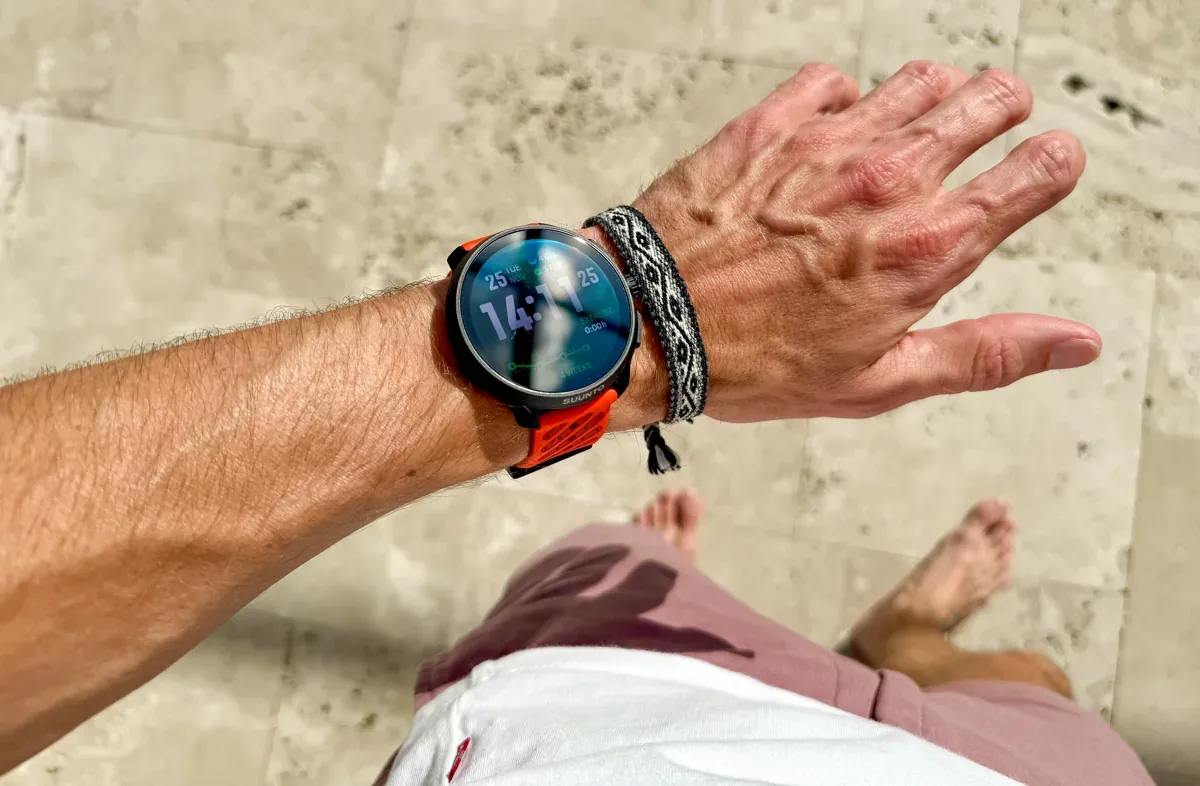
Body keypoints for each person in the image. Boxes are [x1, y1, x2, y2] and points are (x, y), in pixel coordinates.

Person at [0, 57, 1150, 783]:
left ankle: (765, 599)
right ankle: (908, 636)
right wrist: (643, 324)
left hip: (597, 698)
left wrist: (649, 314)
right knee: (1033, 680)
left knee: (612, 560)